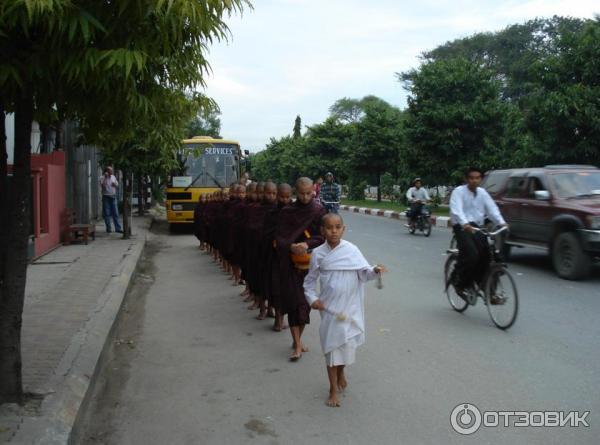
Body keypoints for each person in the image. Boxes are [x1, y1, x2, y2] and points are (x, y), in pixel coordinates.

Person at [304, 213, 387, 407]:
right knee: (332, 348)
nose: (333, 231)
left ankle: (341, 372)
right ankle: (332, 390)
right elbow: (308, 283)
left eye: (337, 227)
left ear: (344, 228)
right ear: (322, 231)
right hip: (330, 309)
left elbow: (364, 274)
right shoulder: (318, 253)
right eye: (329, 228)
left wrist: (375, 271)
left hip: (350, 308)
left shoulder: (352, 250)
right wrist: (313, 299)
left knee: (345, 346)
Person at [275, 177, 326, 361]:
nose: (305, 197)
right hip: (289, 264)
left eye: (308, 193)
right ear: (296, 193)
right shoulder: (288, 211)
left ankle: (297, 339)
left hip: (310, 264)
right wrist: (290, 246)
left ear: (313, 190)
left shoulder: (318, 210)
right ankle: (297, 344)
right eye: (301, 194)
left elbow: (323, 236)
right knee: (294, 303)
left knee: (305, 305)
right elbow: (279, 237)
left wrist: (306, 244)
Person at [449, 167, 508, 302]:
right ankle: (460, 283)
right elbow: (457, 210)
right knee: (472, 255)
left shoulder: (482, 193)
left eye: (477, 178)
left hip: (477, 227)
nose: (474, 181)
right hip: (462, 227)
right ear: (466, 179)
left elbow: (492, 209)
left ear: (481, 179)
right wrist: (464, 224)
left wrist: (502, 223)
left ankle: (489, 291)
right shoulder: (459, 192)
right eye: (471, 178)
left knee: (489, 257)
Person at [100, 166, 122, 233]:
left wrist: (114, 184)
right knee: (107, 213)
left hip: (113, 196)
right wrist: (106, 178)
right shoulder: (102, 177)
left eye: (112, 170)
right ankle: (108, 228)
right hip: (106, 196)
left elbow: (117, 185)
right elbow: (103, 186)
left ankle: (118, 228)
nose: (112, 172)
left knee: (116, 213)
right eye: (110, 170)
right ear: (106, 171)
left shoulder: (113, 177)